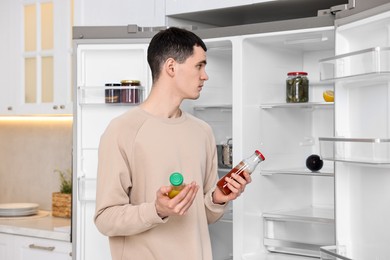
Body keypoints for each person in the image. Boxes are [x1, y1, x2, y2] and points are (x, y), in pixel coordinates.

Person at [94, 27, 251, 260]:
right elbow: (105, 219)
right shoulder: (122, 130)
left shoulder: (202, 131)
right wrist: (156, 210)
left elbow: (202, 215)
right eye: (199, 65)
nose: (205, 75)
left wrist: (218, 198)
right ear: (171, 67)